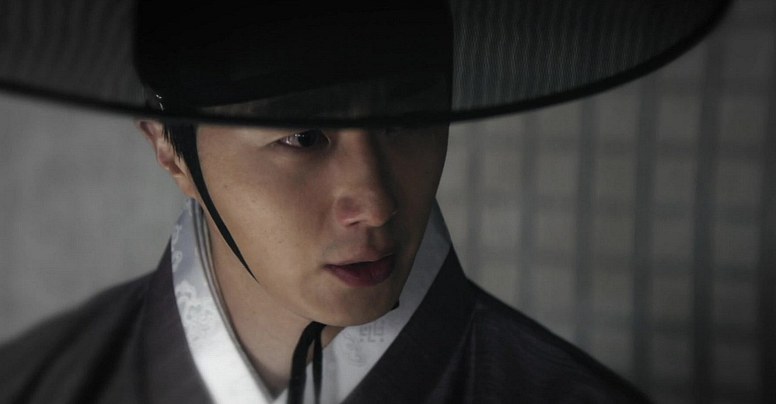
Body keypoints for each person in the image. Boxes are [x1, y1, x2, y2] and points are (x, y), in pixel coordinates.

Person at [0, 1, 731, 402]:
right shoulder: (38, 381)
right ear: (170, 149)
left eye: (408, 120)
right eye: (304, 136)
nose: (376, 204)